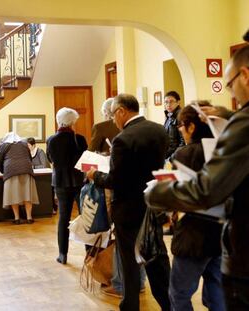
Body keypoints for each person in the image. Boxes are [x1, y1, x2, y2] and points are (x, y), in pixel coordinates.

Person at [145, 44, 249, 310]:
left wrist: (156, 193)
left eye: (229, 84)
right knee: (214, 292)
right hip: (219, 238)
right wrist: (228, 115)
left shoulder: (240, 127)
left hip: (226, 243)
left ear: (245, 75)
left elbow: (205, 190)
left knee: (180, 293)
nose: (230, 91)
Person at [87, 94, 170, 311]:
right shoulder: (158, 130)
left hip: (128, 208)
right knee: (155, 255)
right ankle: (168, 303)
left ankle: (130, 304)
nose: (113, 119)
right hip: (152, 204)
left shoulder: (123, 139)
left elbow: (115, 180)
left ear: (122, 111)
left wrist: (94, 175)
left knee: (129, 260)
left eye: (113, 114)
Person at [168, 104, 225, 310]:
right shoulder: (225, 151)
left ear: (191, 127)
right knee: (217, 292)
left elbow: (177, 196)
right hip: (222, 232)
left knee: (179, 293)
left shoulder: (185, 154)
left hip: (193, 235)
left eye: (181, 125)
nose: (180, 130)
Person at [89, 98, 146, 298]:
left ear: (118, 112)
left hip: (117, 190)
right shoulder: (151, 129)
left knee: (122, 241)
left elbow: (92, 156)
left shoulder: (108, 130)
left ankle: (121, 283)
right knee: (141, 241)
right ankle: (139, 281)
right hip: (145, 194)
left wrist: (94, 175)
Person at [46, 107, 87, 264]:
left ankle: (62, 254)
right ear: (73, 122)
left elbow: (51, 160)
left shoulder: (51, 140)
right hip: (79, 181)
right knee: (86, 217)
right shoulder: (80, 139)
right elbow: (85, 161)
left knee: (64, 218)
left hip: (61, 182)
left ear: (59, 120)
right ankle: (89, 252)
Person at [0, 132, 39, 224]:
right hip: (26, 170)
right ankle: (29, 217)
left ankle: (17, 218)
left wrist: (3, 171)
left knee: (13, 195)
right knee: (27, 195)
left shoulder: (4, 145)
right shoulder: (24, 144)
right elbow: (29, 158)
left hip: (11, 171)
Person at [164, 90, 185, 158]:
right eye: (166, 102)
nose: (168, 105)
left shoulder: (181, 116)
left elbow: (183, 142)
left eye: (171, 101)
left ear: (178, 102)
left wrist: (172, 158)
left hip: (174, 157)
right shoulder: (169, 116)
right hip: (168, 154)